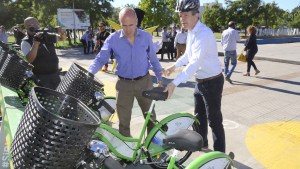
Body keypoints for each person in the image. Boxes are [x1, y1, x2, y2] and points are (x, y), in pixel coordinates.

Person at [88, 7, 164, 137]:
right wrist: (89, 73)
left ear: (136, 21)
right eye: (124, 25)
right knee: (123, 123)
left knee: (151, 117)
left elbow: (153, 59)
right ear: (120, 23)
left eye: (131, 25)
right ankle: (127, 153)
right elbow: (101, 59)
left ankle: (152, 149)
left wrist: (160, 79)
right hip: (123, 85)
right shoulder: (113, 39)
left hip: (144, 83)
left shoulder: (145, 37)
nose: (128, 29)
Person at [163, 0, 226, 153]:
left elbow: (194, 63)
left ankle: (220, 156)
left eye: (185, 15)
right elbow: (187, 56)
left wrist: (174, 83)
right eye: (180, 16)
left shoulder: (204, 34)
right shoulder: (191, 31)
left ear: (196, 15)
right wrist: (174, 66)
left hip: (212, 82)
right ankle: (203, 144)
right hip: (200, 82)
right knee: (199, 116)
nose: (182, 19)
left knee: (214, 120)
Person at [21, 17, 60, 90]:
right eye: (30, 25)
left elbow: (61, 38)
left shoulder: (45, 35)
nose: (34, 26)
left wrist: (58, 33)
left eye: (36, 24)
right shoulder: (25, 41)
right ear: (26, 27)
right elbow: (29, 60)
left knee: (60, 98)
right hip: (41, 77)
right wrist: (36, 43)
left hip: (55, 74)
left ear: (39, 24)